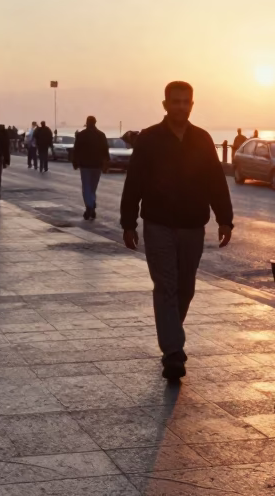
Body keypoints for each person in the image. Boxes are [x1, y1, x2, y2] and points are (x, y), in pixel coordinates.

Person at [121, 82, 234, 381]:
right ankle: (173, 352)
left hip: (193, 226)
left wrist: (225, 219)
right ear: (165, 104)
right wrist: (128, 222)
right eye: (176, 102)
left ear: (192, 105)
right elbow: (134, 182)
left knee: (186, 287)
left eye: (186, 102)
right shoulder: (149, 139)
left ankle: (172, 334)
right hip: (158, 224)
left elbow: (215, 181)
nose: (181, 107)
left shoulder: (202, 139)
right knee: (166, 285)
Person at [72, 116, 109, 220]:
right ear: (95, 123)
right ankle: (91, 205)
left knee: (86, 187)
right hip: (97, 165)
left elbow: (76, 149)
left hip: (85, 165)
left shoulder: (81, 135)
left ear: (87, 123)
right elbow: (105, 150)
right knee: (93, 187)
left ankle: (90, 206)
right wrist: (106, 162)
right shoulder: (101, 135)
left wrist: (75, 161)